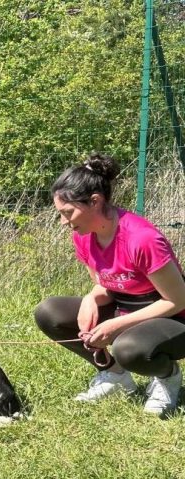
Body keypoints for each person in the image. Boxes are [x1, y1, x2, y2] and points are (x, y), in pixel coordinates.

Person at [34, 153, 185, 417]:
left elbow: (177, 300)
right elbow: (104, 285)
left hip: (175, 319)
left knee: (127, 347)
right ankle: (116, 376)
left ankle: (167, 377)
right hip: (127, 310)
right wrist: (91, 298)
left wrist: (116, 325)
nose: (63, 222)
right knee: (50, 312)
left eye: (67, 212)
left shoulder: (142, 239)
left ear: (95, 201)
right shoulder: (83, 236)